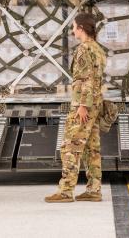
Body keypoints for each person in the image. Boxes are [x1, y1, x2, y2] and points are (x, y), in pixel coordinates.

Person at [45, 13, 107, 203]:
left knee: (70, 146)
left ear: (81, 28)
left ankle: (65, 191)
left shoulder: (84, 49)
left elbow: (86, 79)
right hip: (96, 104)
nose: (72, 31)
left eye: (74, 27)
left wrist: (82, 106)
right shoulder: (98, 49)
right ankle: (94, 189)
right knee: (91, 148)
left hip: (85, 105)